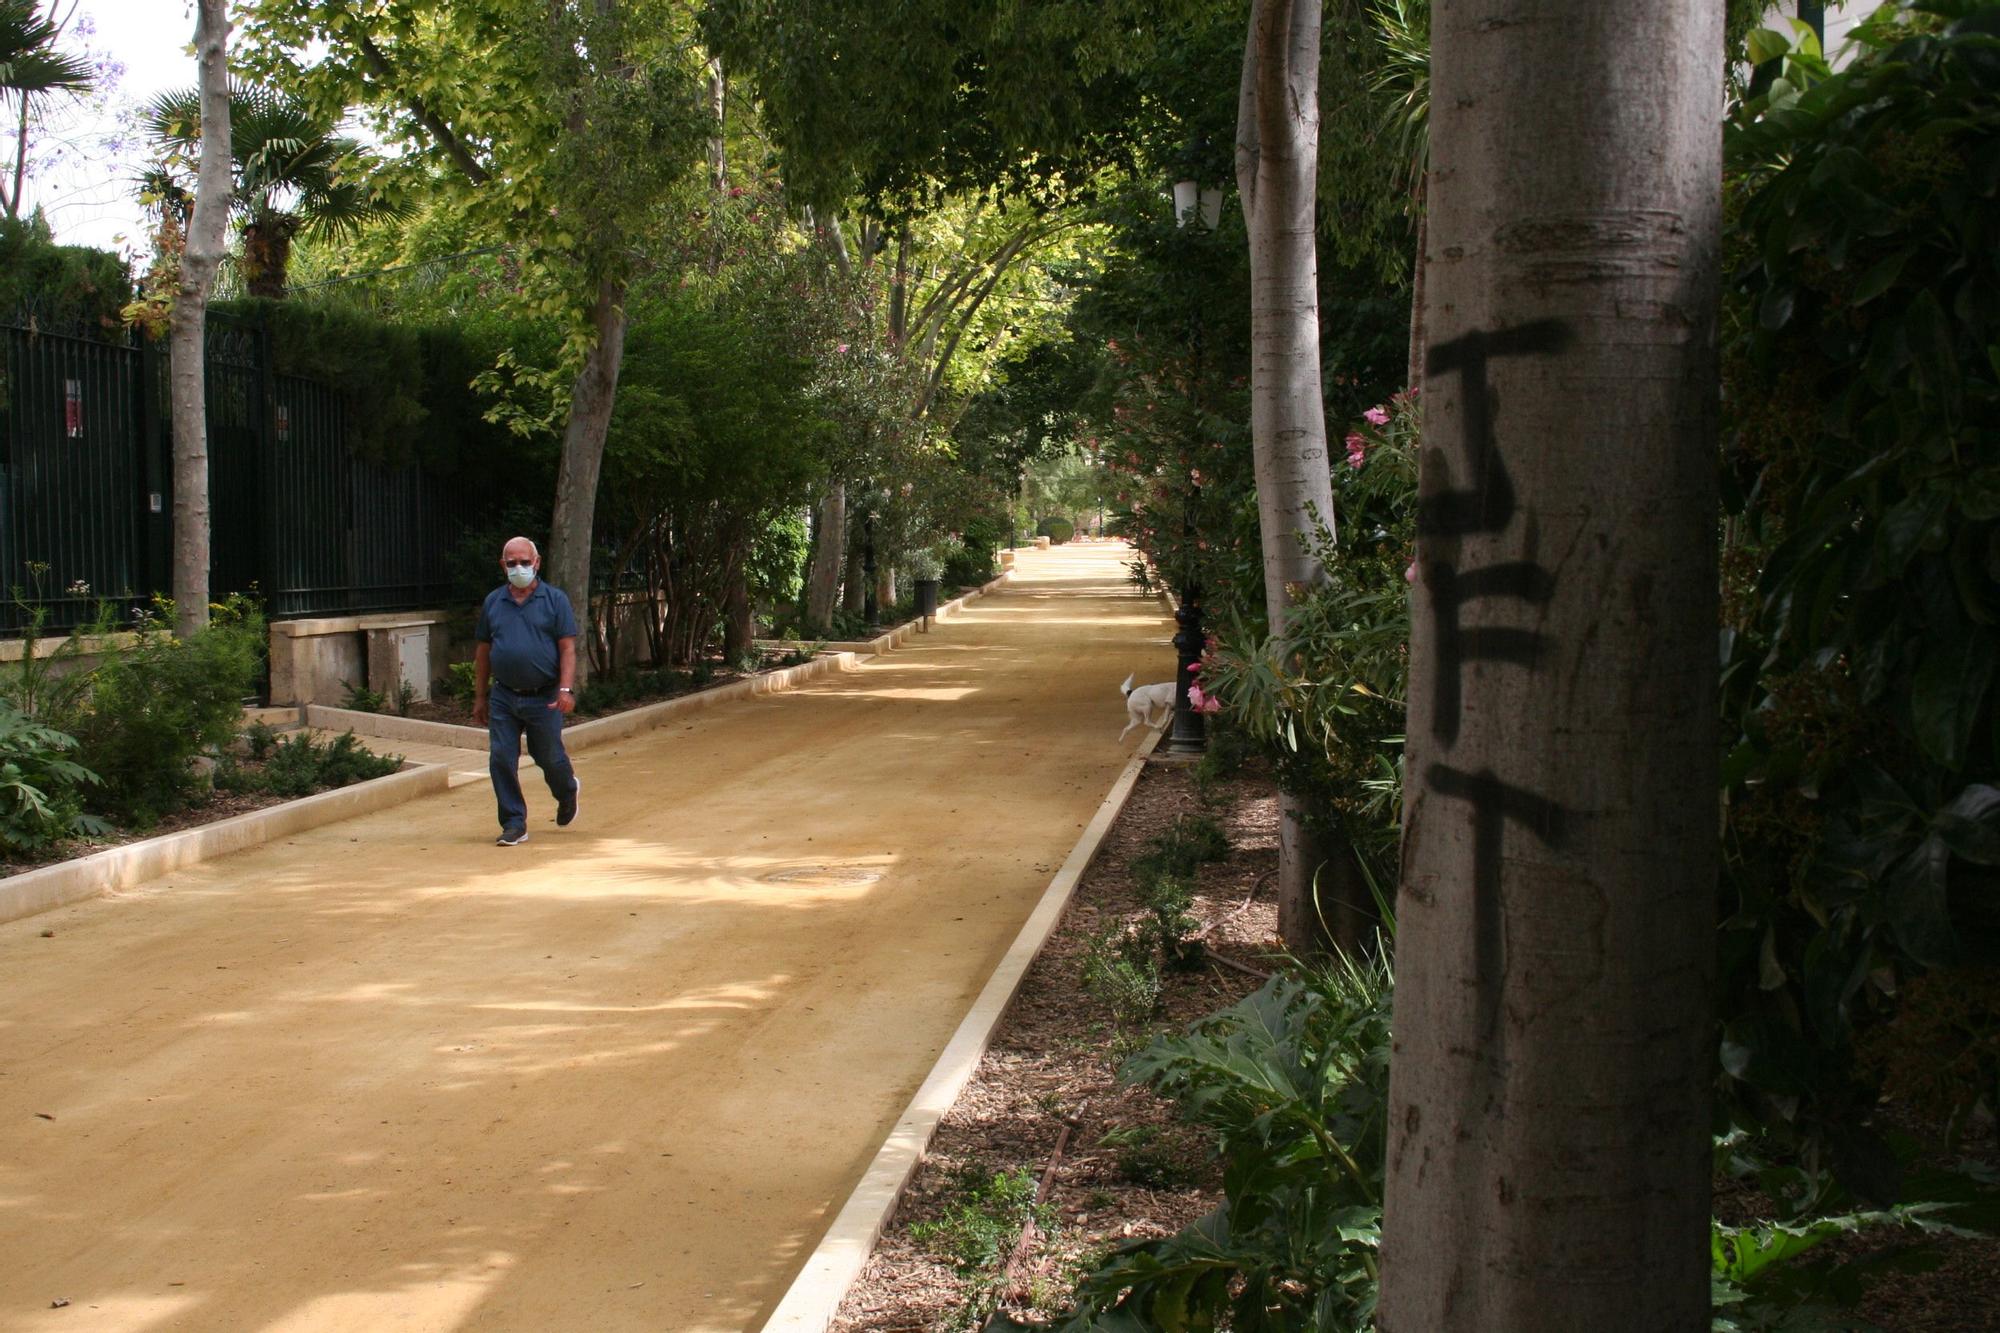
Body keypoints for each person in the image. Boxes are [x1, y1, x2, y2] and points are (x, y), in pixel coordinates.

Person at [471, 536, 581, 846]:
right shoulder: (494, 602)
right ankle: (514, 822)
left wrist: (565, 689)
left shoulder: (554, 600)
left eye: (524, 562)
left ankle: (567, 790)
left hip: (544, 695)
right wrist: (480, 696)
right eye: (511, 563)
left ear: (537, 563)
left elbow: (567, 649)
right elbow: (483, 652)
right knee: (501, 758)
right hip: (504, 695)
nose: (518, 568)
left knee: (548, 756)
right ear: (502, 565)